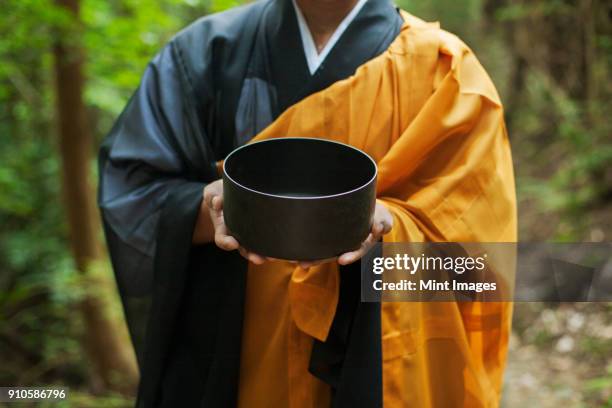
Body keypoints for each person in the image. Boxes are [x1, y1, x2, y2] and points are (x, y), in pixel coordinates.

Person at [98, 0, 517, 406]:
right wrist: (216, 210)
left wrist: (390, 226)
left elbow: (478, 253)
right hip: (236, 354)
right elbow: (135, 194)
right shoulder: (204, 54)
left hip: (374, 362)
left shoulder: (443, 72)